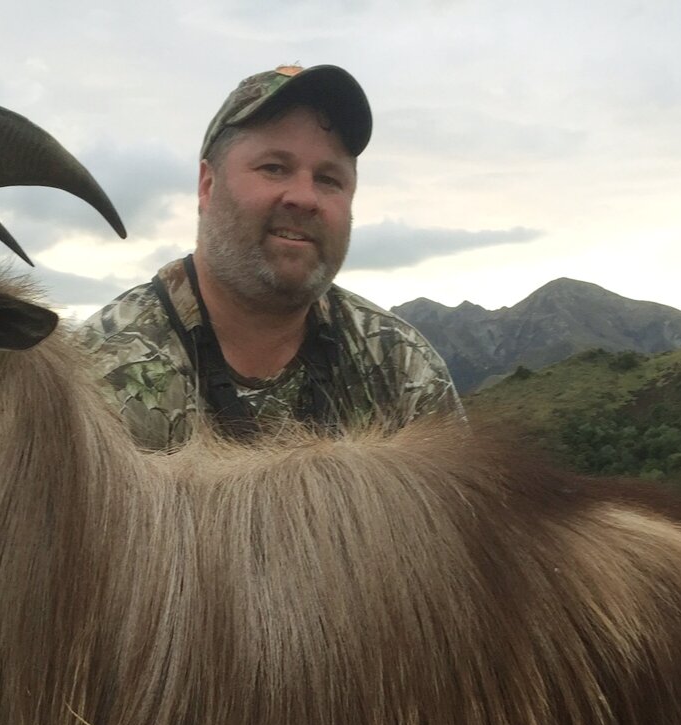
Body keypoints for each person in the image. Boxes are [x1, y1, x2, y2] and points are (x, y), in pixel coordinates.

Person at [82, 65, 462, 450]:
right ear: (207, 185)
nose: (304, 197)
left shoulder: (401, 366)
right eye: (274, 168)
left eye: (329, 179)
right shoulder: (93, 379)